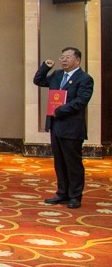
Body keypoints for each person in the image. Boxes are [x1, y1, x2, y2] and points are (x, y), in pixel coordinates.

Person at [33, 47, 94, 209]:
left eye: (68, 57)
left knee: (73, 163)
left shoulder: (85, 79)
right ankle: (62, 193)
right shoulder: (57, 75)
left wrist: (60, 111)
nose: (64, 60)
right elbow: (38, 81)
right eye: (62, 57)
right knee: (59, 162)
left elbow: (81, 101)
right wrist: (45, 67)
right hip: (56, 126)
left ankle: (75, 196)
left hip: (72, 127)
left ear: (77, 60)